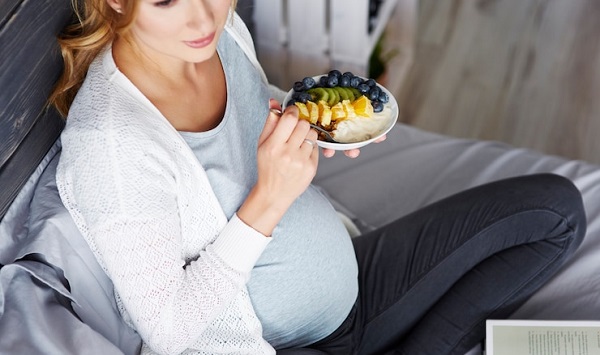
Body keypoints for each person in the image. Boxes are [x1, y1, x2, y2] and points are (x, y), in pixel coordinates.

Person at [49, 0, 586, 354]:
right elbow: (168, 329)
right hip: (281, 345)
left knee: (555, 212)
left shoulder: (223, 35)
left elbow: (259, 120)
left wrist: (321, 127)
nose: (202, 19)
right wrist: (268, 201)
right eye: (166, 0)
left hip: (354, 285)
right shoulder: (112, 145)